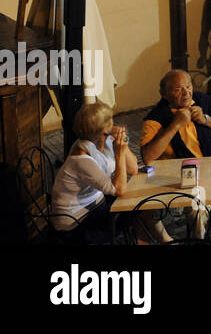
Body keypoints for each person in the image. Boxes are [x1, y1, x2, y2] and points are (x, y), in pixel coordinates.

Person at [51, 103, 168, 244]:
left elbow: (133, 169)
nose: (114, 122)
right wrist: (119, 153)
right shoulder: (81, 158)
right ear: (103, 130)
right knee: (137, 205)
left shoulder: (104, 139)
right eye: (111, 120)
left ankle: (152, 239)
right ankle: (149, 240)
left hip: (96, 205)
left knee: (140, 201)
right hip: (77, 225)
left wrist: (124, 141)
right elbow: (120, 190)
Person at [141, 70, 211, 162]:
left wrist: (205, 119)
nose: (186, 93)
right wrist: (175, 125)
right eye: (178, 90)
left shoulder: (201, 100)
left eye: (188, 86)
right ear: (164, 94)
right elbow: (147, 157)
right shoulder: (156, 118)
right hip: (182, 168)